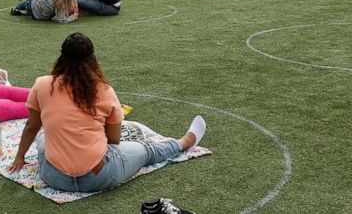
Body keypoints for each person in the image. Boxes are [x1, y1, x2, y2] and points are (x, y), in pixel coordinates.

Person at [10, 33, 206, 193]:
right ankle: (183, 143)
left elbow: (32, 126)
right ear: (92, 60)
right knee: (147, 150)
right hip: (99, 176)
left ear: (61, 58)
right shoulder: (104, 91)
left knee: (44, 136)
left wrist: (20, 157)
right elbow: (114, 140)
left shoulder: (42, 84)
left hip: (56, 178)